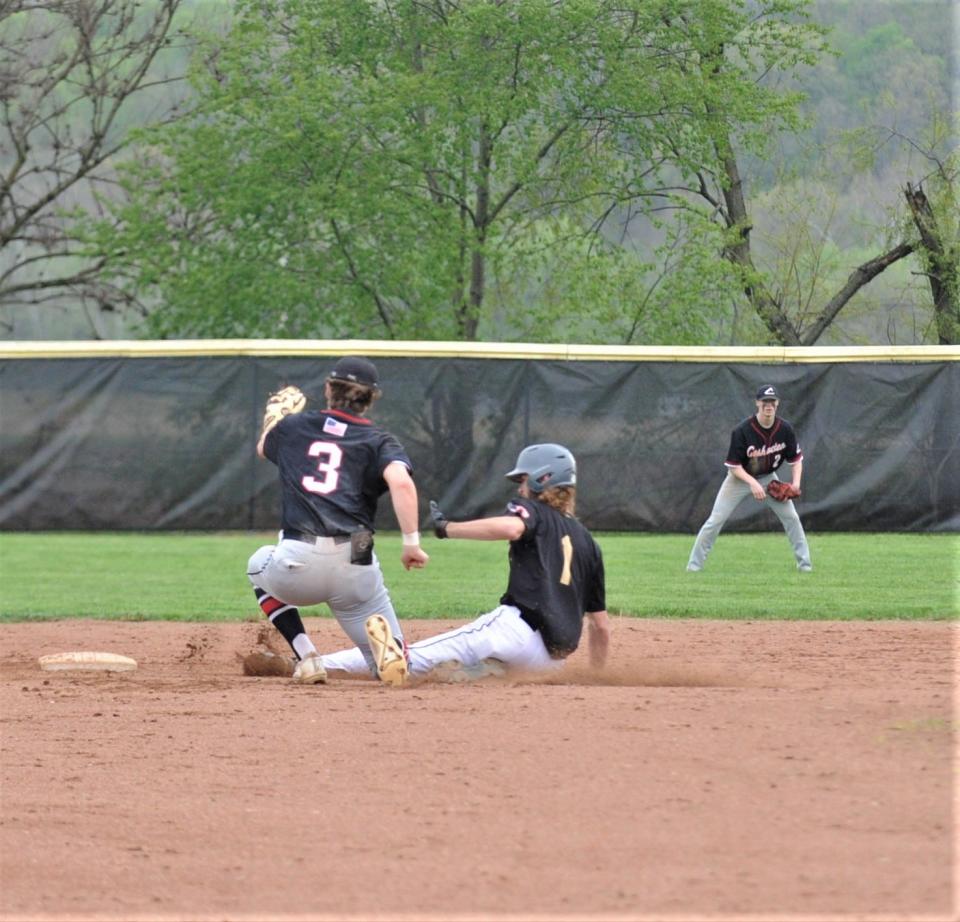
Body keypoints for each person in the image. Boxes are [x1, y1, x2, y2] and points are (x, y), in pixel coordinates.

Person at [319, 443, 612, 684]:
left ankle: (314, 663)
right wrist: (596, 677)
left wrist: (448, 528)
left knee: (408, 658)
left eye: (523, 480)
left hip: (514, 632)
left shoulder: (532, 509)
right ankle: (483, 669)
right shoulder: (589, 544)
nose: (520, 488)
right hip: (550, 663)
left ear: (542, 479)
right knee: (471, 665)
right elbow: (600, 626)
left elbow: (512, 528)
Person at [246, 356, 429, 685]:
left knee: (257, 564)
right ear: (372, 397)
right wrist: (411, 544)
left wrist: (274, 418)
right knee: (385, 648)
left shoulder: (295, 427)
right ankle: (389, 656)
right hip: (357, 556)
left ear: (329, 388)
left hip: (298, 558)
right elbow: (402, 482)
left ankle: (307, 655)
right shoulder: (380, 440)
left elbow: (264, 447)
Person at [687, 384, 812, 572]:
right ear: (757, 403)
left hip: (769, 478)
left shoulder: (785, 429)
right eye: (765, 401)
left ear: (777, 403)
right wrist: (753, 483)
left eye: (772, 401)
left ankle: (805, 566)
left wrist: (795, 484)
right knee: (716, 520)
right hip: (739, 479)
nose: (768, 405)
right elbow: (734, 466)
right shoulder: (742, 430)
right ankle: (693, 567)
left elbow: (796, 460)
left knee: (792, 518)